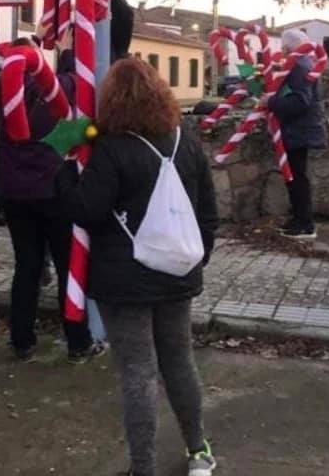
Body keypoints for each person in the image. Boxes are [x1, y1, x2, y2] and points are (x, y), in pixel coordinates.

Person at [57, 56, 218, 476]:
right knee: (180, 361)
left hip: (124, 280)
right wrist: (196, 257)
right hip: (179, 272)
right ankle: (199, 451)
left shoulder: (112, 150)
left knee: (138, 371)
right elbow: (208, 212)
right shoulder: (188, 142)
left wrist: (63, 164)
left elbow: (86, 210)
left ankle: (142, 467)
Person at [0, 25, 99, 363]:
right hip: (54, 190)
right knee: (69, 265)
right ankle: (77, 339)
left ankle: (21, 338)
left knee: (27, 265)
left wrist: (35, 42)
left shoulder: (1, 91)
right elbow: (72, 82)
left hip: (15, 192)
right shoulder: (51, 90)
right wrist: (68, 50)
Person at [267, 28, 327, 240]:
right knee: (294, 176)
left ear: (286, 47)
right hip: (301, 129)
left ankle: (304, 223)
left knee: (296, 177)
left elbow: (300, 101)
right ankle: (299, 219)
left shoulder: (298, 67)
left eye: (282, 47)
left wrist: (271, 102)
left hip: (298, 130)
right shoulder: (304, 64)